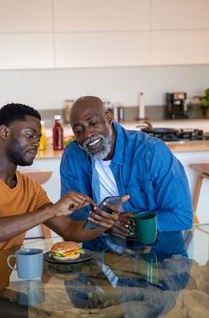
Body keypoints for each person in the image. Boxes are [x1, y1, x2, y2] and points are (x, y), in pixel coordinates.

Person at [0, 103, 121, 299]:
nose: (36, 142)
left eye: (39, 137)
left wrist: (106, 220)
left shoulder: (30, 189)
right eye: (29, 135)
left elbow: (70, 230)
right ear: (4, 132)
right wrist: (50, 211)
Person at [60, 96, 193, 250]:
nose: (88, 134)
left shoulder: (152, 152)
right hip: (99, 252)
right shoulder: (73, 155)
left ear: (109, 117)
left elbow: (181, 216)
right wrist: (106, 226)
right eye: (79, 130)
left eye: (93, 123)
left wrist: (130, 223)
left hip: (158, 250)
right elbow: (72, 219)